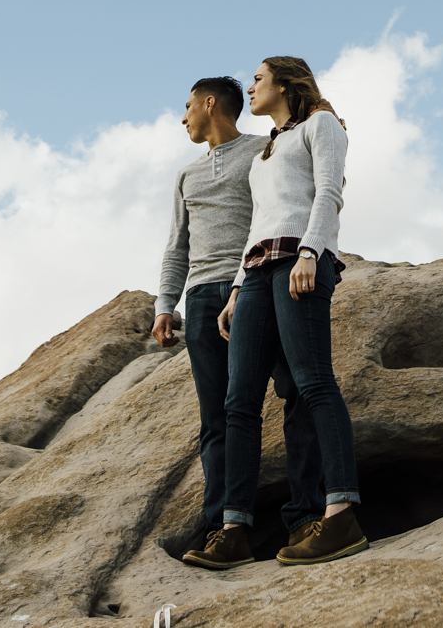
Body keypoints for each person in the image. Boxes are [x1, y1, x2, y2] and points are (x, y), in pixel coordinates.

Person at [186, 57, 366, 570]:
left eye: (259, 79)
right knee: (238, 402)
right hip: (257, 275)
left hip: (297, 265)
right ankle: (234, 529)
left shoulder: (321, 125)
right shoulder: (265, 152)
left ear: (285, 85)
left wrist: (311, 253)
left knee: (312, 384)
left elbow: (329, 193)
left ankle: (340, 515)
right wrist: (238, 289)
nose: (252, 87)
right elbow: (257, 225)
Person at [153, 77, 325, 565]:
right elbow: (176, 246)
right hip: (204, 299)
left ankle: (307, 516)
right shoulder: (186, 176)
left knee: (294, 391)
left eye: (187, 106)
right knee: (218, 418)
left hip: (259, 281)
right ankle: (226, 530)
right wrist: (167, 305)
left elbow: (286, 204)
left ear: (210, 104)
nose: (182, 117)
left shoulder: (263, 151)